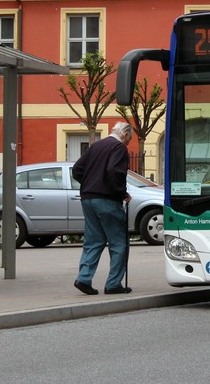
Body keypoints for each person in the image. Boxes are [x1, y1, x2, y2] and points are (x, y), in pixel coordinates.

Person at [71, 122, 133, 295]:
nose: (128, 144)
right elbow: (114, 171)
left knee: (93, 240)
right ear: (125, 134)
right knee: (119, 242)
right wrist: (122, 193)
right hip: (107, 200)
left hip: (88, 198)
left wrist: (90, 183)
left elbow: (77, 170)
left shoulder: (96, 146)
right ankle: (113, 284)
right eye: (129, 140)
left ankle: (84, 278)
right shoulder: (118, 148)